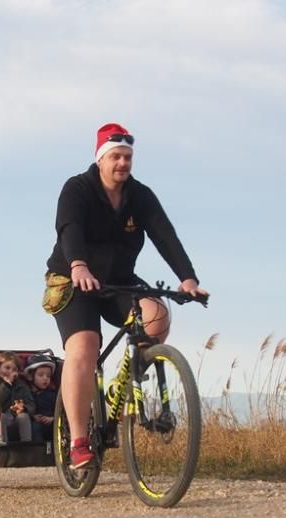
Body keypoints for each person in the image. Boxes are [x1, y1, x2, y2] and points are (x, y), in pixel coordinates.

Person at [42, 122, 208, 468]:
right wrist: (78, 265)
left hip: (118, 280)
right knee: (85, 346)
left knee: (157, 315)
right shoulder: (78, 188)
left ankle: (128, 380)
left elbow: (164, 233)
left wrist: (187, 278)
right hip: (75, 280)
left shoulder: (140, 195)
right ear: (101, 159)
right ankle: (78, 442)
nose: (123, 163)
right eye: (116, 156)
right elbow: (68, 228)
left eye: (128, 157)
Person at [0, 351, 35, 442]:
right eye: (7, 368)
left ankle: (26, 447)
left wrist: (24, 408)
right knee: (2, 417)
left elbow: (32, 404)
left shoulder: (21, 385)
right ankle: (2, 448)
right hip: (1, 417)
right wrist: (7, 384)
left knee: (24, 417)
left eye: (14, 369)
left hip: (16, 418)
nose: (10, 372)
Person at [25, 354, 58, 443]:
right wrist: (32, 417)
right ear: (30, 376)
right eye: (41, 375)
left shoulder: (52, 395)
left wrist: (53, 418)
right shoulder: (26, 394)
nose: (45, 378)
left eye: (48, 376)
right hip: (35, 426)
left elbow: (61, 411)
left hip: (52, 425)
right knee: (35, 427)